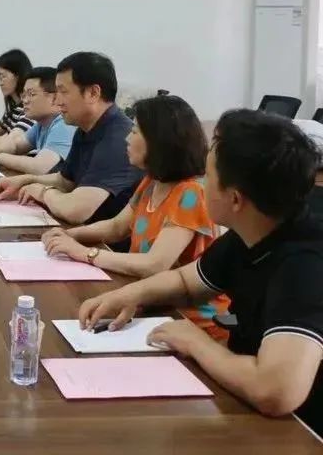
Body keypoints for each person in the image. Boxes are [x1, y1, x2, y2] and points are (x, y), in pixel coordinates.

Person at [79, 110, 323, 436]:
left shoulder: (305, 264)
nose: (200, 185)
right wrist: (129, 294)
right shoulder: (255, 228)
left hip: (294, 431)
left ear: (235, 199)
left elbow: (275, 390)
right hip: (242, 399)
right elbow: (186, 281)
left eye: (207, 177)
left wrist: (195, 342)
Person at [41, 95, 229, 338]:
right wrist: (68, 235)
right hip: (147, 302)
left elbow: (155, 264)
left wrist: (86, 253)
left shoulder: (190, 193)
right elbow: (117, 227)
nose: (127, 139)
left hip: (187, 320)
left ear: (159, 140)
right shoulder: (152, 181)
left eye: (135, 132)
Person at [0, 52, 142, 226]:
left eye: (63, 92)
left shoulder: (118, 139)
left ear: (93, 93)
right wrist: (23, 181)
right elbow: (65, 181)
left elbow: (76, 210)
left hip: (106, 240)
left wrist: (42, 192)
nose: (57, 101)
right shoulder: (86, 128)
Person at [0, 66, 75, 175]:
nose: (25, 101)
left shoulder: (63, 124)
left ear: (55, 97)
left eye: (31, 94)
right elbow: (16, 146)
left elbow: (40, 167)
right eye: (24, 95)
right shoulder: (41, 125)